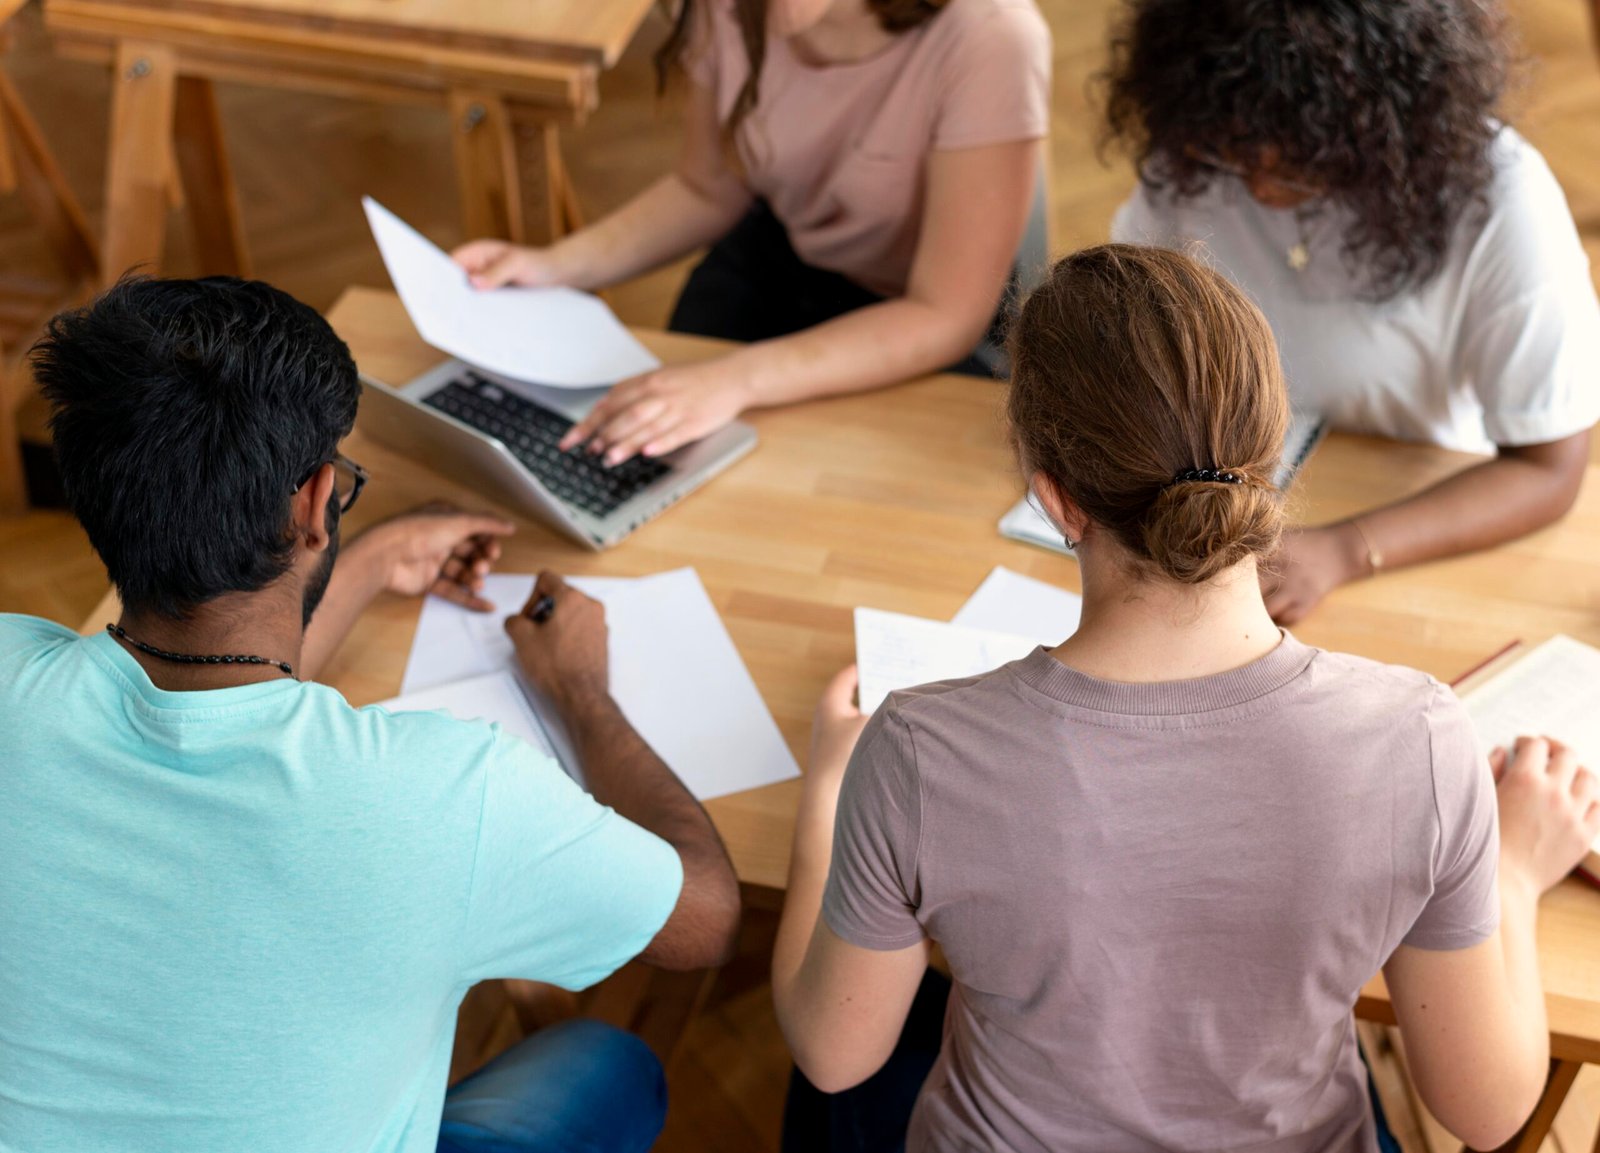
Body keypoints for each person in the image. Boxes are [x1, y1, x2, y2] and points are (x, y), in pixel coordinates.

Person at [771, 245, 1600, 1152]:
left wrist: (826, 794)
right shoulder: (1420, 739)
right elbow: (1487, 1110)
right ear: (1271, 457)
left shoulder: (914, 752)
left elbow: (833, 1051)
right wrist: (1513, 876)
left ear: (1054, 498)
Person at [0, 277, 741, 1153]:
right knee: (608, 1062)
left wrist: (379, 554)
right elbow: (704, 918)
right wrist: (581, 688)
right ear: (316, 502)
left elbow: (210, 684)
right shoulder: (449, 795)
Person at [1101, 0, 1600, 624]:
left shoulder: (1500, 201)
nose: (1259, 185)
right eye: (1239, 151)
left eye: (1298, 159)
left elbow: (1548, 469)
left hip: (1411, 532)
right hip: (1224, 520)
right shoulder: (1196, 160)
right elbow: (1129, 351)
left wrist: (1344, 548)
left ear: (1382, 121)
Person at [451, 0, 1050, 466]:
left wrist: (737, 379)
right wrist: (555, 264)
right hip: (779, 257)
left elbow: (944, 313)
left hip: (922, 315)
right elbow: (708, 188)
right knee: (660, 441)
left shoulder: (991, 37)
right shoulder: (728, 9)